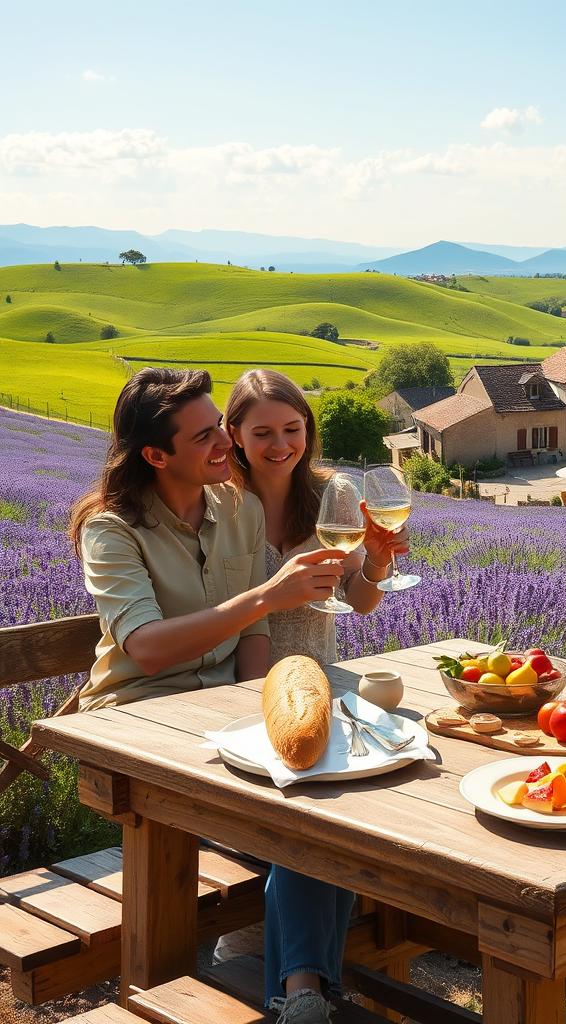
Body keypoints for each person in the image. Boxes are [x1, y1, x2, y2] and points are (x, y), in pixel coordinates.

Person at [222, 369, 408, 1023]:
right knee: (319, 819)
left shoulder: (335, 493)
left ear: (308, 430)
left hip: (315, 684)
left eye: (293, 429)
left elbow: (356, 599)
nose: (281, 444)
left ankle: (298, 991)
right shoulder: (221, 502)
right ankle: (309, 988)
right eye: (263, 432)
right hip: (234, 688)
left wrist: (379, 563)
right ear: (235, 436)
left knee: (328, 813)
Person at [70, 367, 347, 712]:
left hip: (221, 701)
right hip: (136, 704)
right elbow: (147, 648)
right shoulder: (112, 531)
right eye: (204, 437)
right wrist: (267, 596)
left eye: (218, 424)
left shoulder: (243, 509)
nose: (226, 442)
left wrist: (259, 710)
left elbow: (252, 633)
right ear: (156, 456)